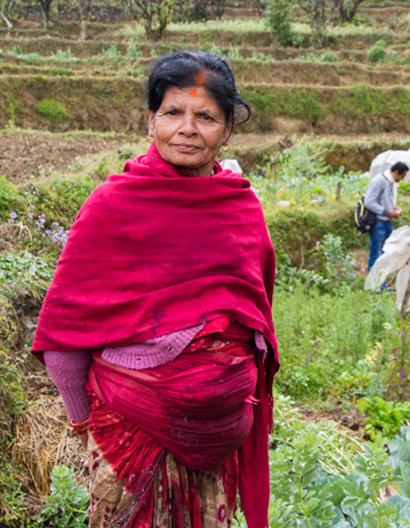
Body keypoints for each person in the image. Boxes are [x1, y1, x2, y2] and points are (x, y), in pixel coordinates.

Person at [31, 50, 277, 528]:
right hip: (129, 443)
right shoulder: (114, 205)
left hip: (217, 453)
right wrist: (90, 430)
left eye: (205, 116)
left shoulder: (241, 208)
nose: (187, 128)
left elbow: (257, 317)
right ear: (151, 121)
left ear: (226, 130)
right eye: (172, 113)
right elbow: (63, 337)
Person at [363, 161, 409, 272]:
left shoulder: (390, 183)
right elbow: (369, 202)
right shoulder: (380, 181)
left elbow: (385, 202)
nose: (402, 179)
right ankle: (373, 285)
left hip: (387, 223)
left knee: (386, 253)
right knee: (377, 253)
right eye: (402, 176)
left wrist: (394, 209)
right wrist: (386, 211)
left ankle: (381, 283)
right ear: (396, 172)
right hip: (378, 223)